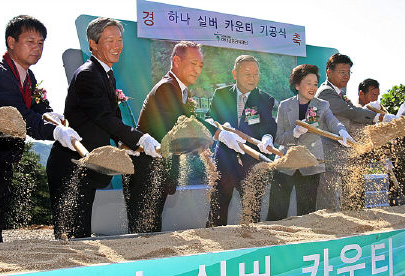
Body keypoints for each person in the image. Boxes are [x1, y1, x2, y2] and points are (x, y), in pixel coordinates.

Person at [46, 17, 160, 239]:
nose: (117, 46)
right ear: (93, 44)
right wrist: (141, 138)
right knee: (71, 240)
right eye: (110, 40)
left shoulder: (106, 74)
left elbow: (112, 118)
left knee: (81, 236)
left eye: (119, 40)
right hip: (70, 167)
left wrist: (123, 144)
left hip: (85, 167)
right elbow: (103, 117)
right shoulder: (88, 74)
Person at [128, 42, 245, 232]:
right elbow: (183, 122)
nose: (197, 69)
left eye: (200, 65)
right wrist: (219, 134)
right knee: (144, 229)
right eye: (193, 63)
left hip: (160, 167)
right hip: (148, 168)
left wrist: (221, 132)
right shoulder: (167, 87)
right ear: (176, 61)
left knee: (152, 225)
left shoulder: (181, 90)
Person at [0, 15, 80, 244]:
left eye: (40, 43)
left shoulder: (27, 76)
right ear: (11, 42)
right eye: (30, 41)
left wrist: (55, 117)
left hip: (3, 159)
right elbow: (21, 116)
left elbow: (39, 108)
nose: (37, 48)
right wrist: (54, 133)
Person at [267, 64, 351, 220]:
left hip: (310, 165)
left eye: (315, 84)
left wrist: (342, 132)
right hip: (286, 164)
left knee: (307, 212)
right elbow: (278, 137)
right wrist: (294, 132)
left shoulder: (322, 105)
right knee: (276, 211)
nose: (313, 87)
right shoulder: (285, 106)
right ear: (297, 85)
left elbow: (333, 122)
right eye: (308, 83)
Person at [315, 53, 393, 210]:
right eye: (342, 72)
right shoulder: (325, 92)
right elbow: (348, 111)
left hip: (344, 153)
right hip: (329, 152)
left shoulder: (340, 93)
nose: (346, 76)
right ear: (329, 72)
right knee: (331, 199)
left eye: (348, 72)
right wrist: (378, 117)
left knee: (351, 195)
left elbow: (353, 111)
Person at [207, 55, 277, 227]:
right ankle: (215, 244)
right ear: (235, 74)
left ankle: (251, 245)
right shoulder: (221, 94)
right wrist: (221, 131)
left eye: (256, 74)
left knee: (252, 209)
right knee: (218, 207)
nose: (253, 79)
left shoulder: (265, 99)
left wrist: (267, 138)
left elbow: (269, 125)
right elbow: (209, 119)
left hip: (251, 163)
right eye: (247, 74)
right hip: (224, 159)